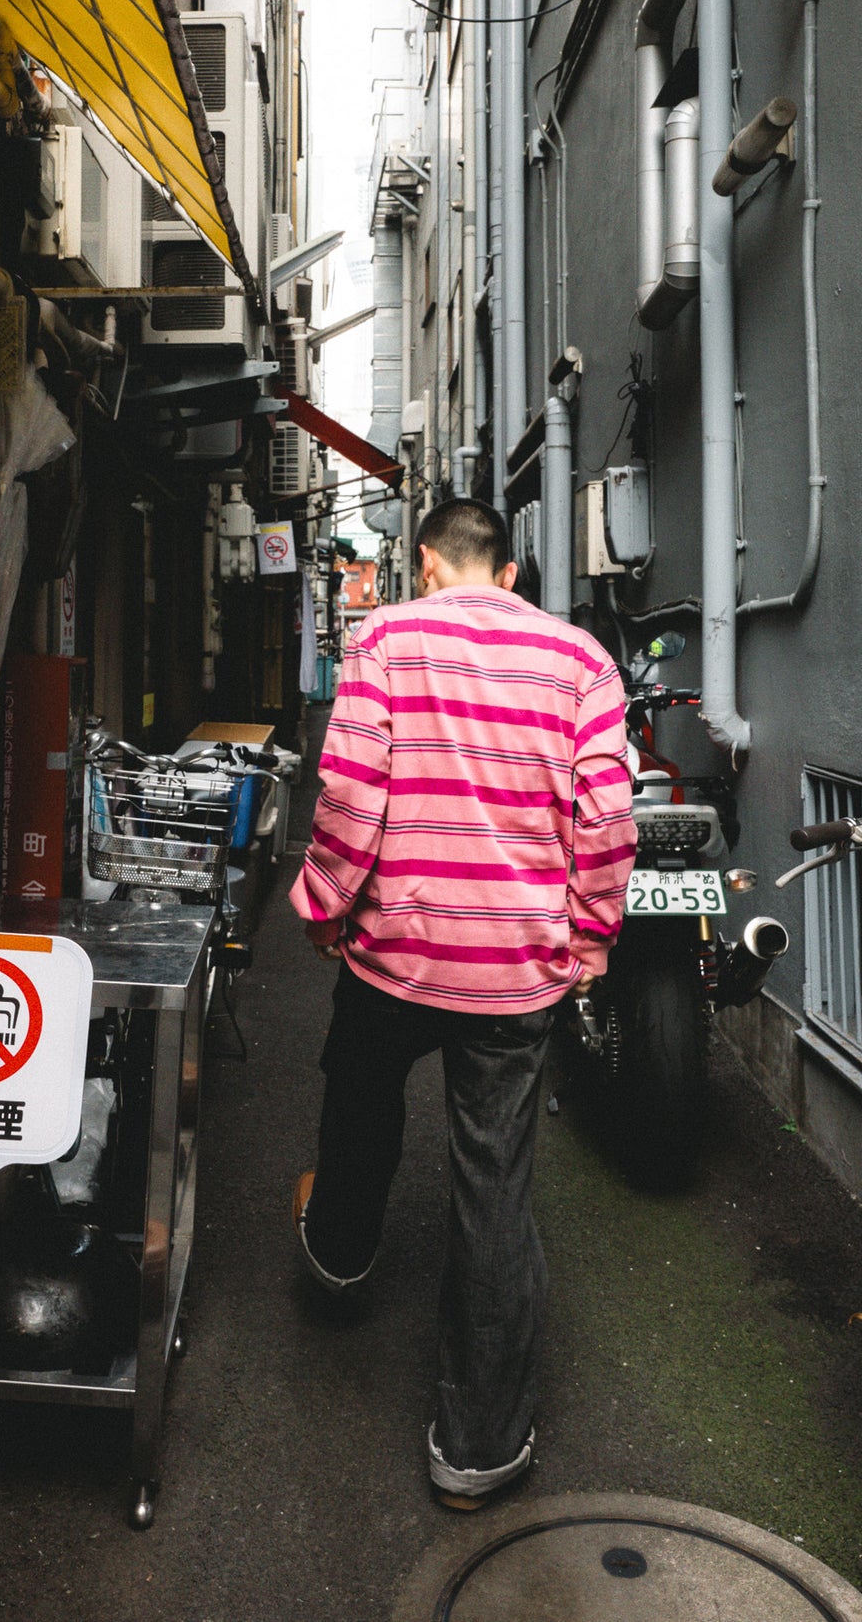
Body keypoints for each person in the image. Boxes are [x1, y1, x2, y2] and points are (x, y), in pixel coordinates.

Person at [289, 497, 636, 1510]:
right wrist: (590, 934)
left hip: (391, 952)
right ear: (509, 575)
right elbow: (606, 815)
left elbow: (352, 791)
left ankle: (341, 1261)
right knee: (492, 1187)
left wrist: (322, 902)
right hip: (514, 971)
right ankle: (473, 1452)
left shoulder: (387, 637)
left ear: (429, 564)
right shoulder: (578, 661)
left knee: (355, 1101)